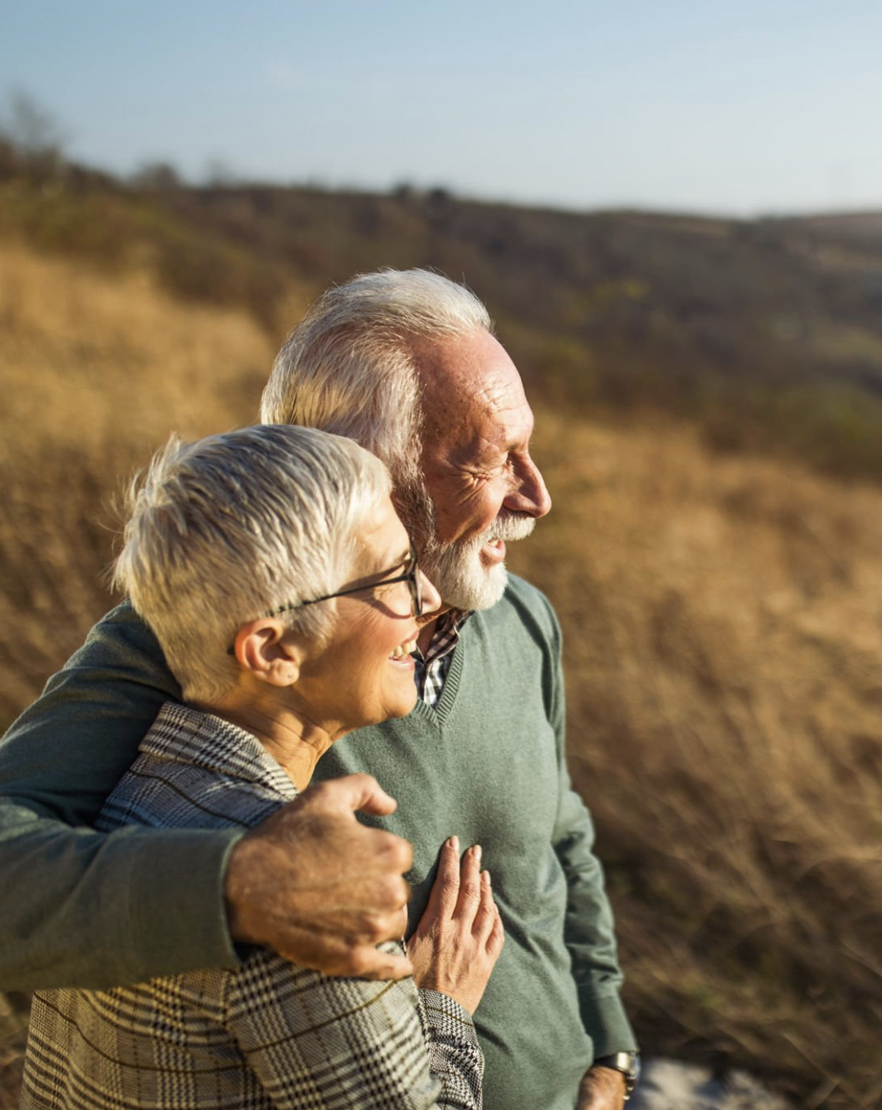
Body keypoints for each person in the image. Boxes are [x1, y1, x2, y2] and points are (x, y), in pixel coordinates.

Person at [0, 270, 638, 1109]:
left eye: (529, 449)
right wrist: (239, 886)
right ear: (357, 468)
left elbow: (561, 840)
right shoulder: (194, 642)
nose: (537, 496)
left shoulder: (523, 617)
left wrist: (610, 1054)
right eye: (489, 459)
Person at [21, 424, 503, 1108]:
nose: (427, 600)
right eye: (395, 574)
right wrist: (441, 1006)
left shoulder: (111, 801)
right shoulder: (308, 905)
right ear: (273, 650)